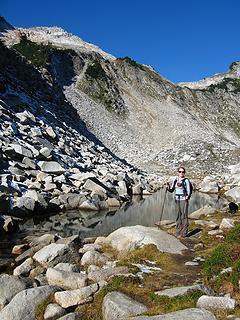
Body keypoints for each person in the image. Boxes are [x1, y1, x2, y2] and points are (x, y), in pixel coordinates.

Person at [166, 166, 191, 238]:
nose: (181, 173)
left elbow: (188, 191)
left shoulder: (186, 181)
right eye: (180, 171)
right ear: (178, 172)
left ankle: (184, 233)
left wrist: (187, 197)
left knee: (184, 215)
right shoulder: (175, 180)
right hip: (177, 199)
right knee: (178, 214)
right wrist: (167, 188)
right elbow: (172, 190)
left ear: (184, 173)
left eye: (183, 172)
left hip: (184, 199)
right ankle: (178, 231)